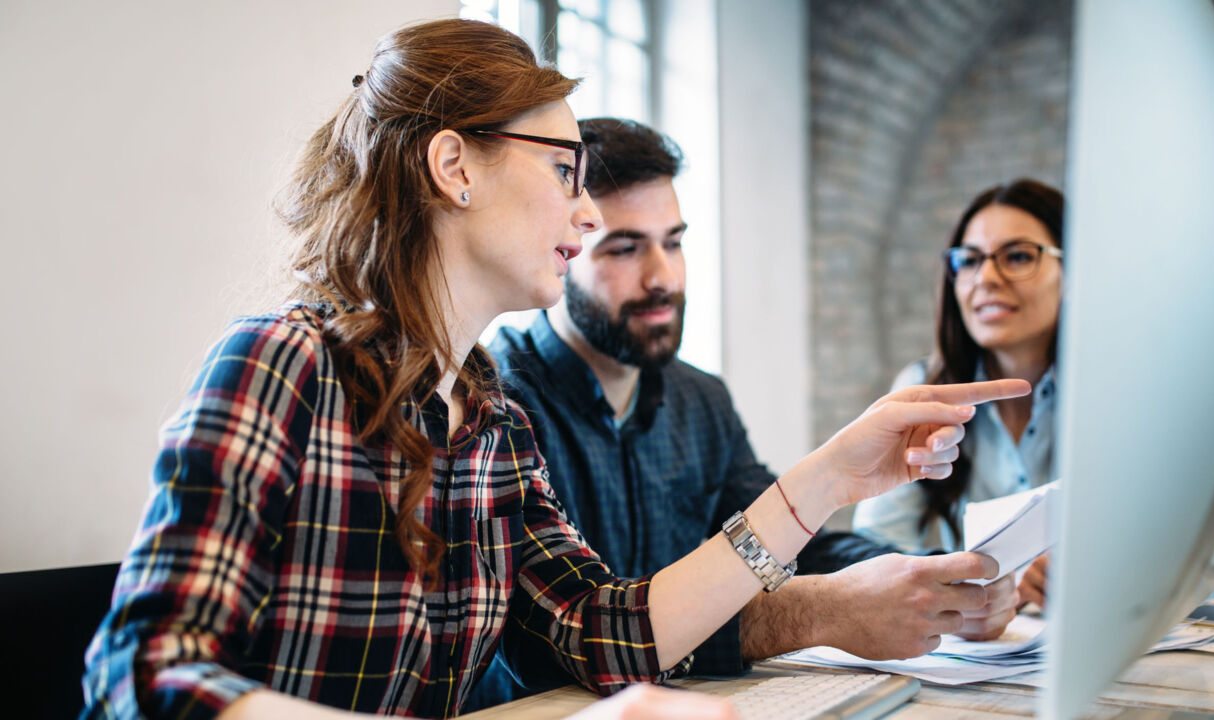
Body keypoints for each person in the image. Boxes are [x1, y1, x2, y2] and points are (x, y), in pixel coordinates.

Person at [80, 20, 1028, 720]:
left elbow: (609, 629)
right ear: (454, 166)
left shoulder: (490, 421)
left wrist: (830, 477)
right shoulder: (280, 366)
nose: (586, 215)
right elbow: (142, 673)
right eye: (565, 171)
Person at [476, 118, 1023, 706]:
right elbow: (567, 640)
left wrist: (930, 580)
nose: (664, 276)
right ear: (565, 247)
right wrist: (821, 611)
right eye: (626, 247)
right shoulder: (498, 402)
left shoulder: (700, 399)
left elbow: (788, 541)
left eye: (674, 241)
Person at [852, 178, 1064, 606]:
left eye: (1018, 256)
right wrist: (955, 585)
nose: (985, 278)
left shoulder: (1120, 401)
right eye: (969, 261)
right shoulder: (923, 394)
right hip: (976, 656)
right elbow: (870, 552)